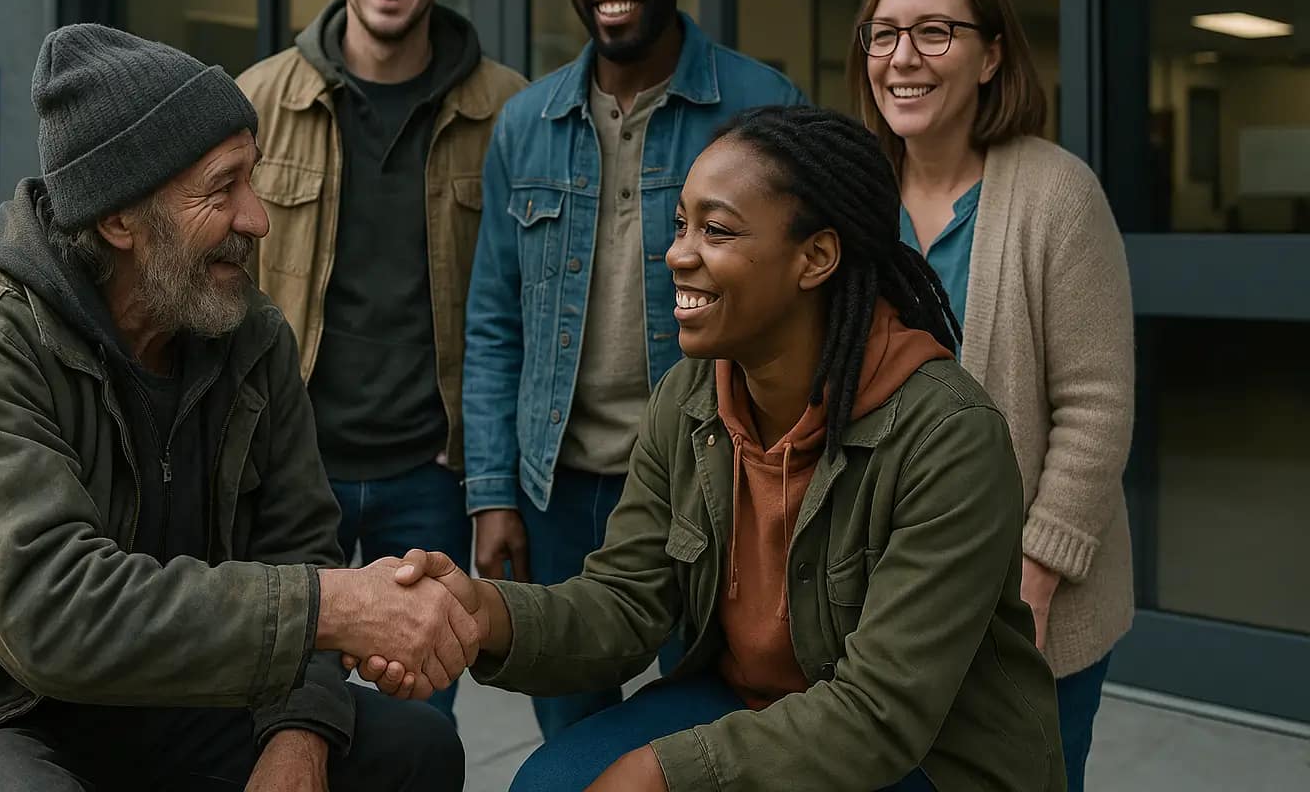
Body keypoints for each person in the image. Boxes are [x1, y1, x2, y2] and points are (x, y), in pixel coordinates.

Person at [0, 24, 476, 791]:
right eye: (222, 187)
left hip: (171, 700)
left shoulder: (249, 334)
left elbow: (299, 546)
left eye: (253, 178)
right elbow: (53, 614)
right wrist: (332, 607)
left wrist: (297, 736)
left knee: (417, 749)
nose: (257, 218)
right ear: (119, 219)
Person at [360, 107, 1066, 791]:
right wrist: (486, 615)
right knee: (550, 782)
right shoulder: (690, 396)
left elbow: (879, 714)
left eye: (716, 230)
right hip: (748, 708)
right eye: (679, 224)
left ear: (815, 257)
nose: (676, 253)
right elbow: (623, 603)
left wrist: (660, 773)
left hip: (928, 756)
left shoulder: (948, 435)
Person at [461, 0, 802, 738]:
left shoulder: (759, 109)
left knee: (715, 730)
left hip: (709, 482)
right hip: (555, 493)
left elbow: (800, 314)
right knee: (572, 737)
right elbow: (494, 323)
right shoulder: (525, 125)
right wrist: (493, 493)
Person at [236, 0, 525, 724]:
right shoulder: (255, 100)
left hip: (429, 479)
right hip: (289, 470)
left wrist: (493, 487)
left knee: (418, 727)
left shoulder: (511, 111)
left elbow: (524, 307)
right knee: (271, 713)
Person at [850, 0, 1134, 790]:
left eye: (935, 32)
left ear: (991, 55)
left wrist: (1036, 575)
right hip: (881, 601)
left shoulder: (1058, 194)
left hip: (1027, 602)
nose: (903, 58)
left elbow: (1098, 406)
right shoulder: (850, 193)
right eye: (883, 33)